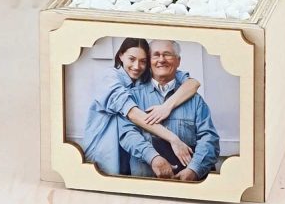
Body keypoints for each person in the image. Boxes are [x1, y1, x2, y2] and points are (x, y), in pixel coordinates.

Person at [81, 37, 201, 175]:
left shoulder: (142, 79)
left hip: (130, 157)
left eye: (143, 61)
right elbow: (133, 114)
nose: (137, 66)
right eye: (131, 59)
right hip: (103, 152)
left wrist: (166, 107)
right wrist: (174, 139)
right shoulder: (109, 78)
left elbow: (193, 84)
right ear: (121, 55)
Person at [118, 40, 220, 181]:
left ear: (178, 61)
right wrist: (153, 158)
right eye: (156, 55)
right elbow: (127, 134)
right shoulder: (133, 96)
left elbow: (209, 138)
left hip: (188, 182)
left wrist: (194, 170)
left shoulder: (195, 100)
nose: (161, 59)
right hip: (145, 180)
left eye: (167, 54)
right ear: (149, 61)